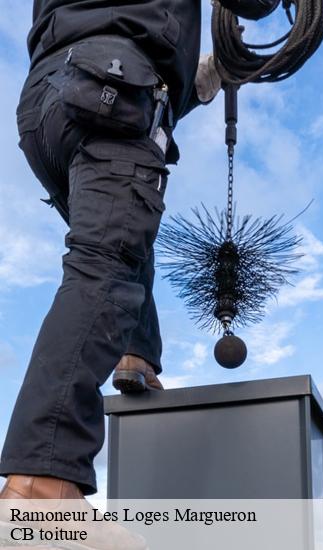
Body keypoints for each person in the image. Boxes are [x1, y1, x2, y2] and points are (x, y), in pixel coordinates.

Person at [0, 0, 222, 511]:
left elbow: (114, 21)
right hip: (112, 89)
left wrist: (195, 81)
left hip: (45, 107)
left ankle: (135, 354)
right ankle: (41, 490)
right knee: (105, 263)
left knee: (121, 240)